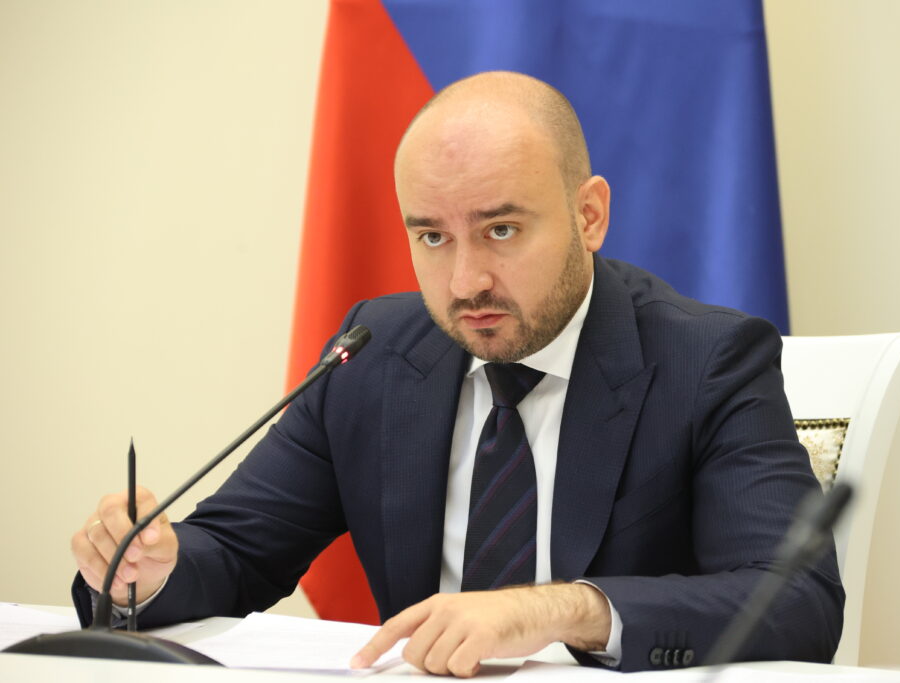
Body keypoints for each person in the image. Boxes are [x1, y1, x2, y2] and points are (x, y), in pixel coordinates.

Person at [70, 71, 844, 676]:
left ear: (589, 216)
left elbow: (797, 598)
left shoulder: (708, 360)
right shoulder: (373, 355)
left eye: (500, 229)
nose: (467, 281)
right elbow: (236, 552)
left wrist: (558, 610)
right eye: (432, 237)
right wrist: (146, 569)